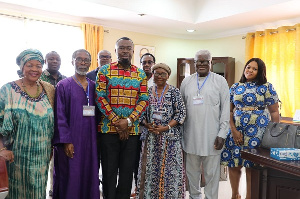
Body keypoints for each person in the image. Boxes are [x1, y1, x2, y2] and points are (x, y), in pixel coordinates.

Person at [95, 37, 149, 199]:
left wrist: (129, 122)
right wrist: (118, 123)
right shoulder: (104, 71)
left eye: (128, 48)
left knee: (127, 173)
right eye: (121, 48)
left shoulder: (140, 74)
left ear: (133, 51)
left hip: (132, 132)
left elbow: (144, 100)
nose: (125, 51)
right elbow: (100, 97)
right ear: (116, 50)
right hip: (108, 130)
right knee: (109, 172)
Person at [221, 58, 279, 199]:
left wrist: (275, 132)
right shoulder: (235, 87)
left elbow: (274, 112)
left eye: (254, 68)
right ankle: (235, 195)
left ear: (260, 72)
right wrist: (233, 130)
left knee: (252, 165)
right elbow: (228, 111)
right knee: (234, 163)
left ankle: (250, 196)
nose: (250, 70)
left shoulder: (266, 87)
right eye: (248, 67)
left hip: (258, 131)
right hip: (236, 130)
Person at [0, 49, 55, 199]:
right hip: (16, 157)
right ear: (22, 67)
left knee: (38, 192)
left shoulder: (48, 90)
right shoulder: (7, 90)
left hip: (41, 157)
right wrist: (2, 149)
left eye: (38, 66)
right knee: (17, 193)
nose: (35, 70)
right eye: (30, 65)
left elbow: (55, 121)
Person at [180, 49, 230, 199]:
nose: (201, 64)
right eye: (198, 61)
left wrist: (222, 134)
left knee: (212, 175)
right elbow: (181, 109)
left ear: (211, 63)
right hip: (191, 137)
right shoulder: (186, 81)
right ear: (194, 63)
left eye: (205, 61)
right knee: (192, 174)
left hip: (212, 137)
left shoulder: (220, 81)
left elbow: (226, 109)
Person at [53, 49, 100, 199]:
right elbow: (59, 115)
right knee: (71, 174)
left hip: (91, 140)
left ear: (90, 63)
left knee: (89, 172)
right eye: (79, 59)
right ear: (72, 61)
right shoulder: (63, 85)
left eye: (86, 60)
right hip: (71, 139)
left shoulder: (94, 86)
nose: (83, 62)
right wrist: (66, 141)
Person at [137, 63, 186, 198]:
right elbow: (140, 112)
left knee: (170, 171)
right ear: (152, 75)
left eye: (163, 74)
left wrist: (166, 127)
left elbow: (181, 113)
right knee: (151, 170)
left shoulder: (174, 91)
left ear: (168, 76)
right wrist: (147, 125)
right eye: (156, 73)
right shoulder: (146, 92)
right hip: (151, 138)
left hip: (170, 138)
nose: (159, 76)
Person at [41, 50, 67, 197]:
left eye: (57, 59)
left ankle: (54, 189)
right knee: (45, 160)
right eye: (51, 59)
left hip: (60, 123)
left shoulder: (65, 79)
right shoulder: (40, 77)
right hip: (45, 123)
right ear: (46, 61)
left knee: (57, 161)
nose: (54, 61)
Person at [130, 52, 156, 198]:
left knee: (150, 161)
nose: (147, 65)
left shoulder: (158, 82)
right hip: (136, 127)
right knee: (136, 161)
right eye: (144, 62)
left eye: (149, 62)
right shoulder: (136, 80)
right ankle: (137, 188)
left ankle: (149, 188)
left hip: (152, 130)